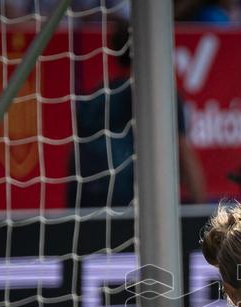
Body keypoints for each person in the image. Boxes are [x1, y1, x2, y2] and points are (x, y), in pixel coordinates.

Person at [68, 20, 206, 210]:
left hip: (89, 203)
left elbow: (75, 155)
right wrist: (201, 213)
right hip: (137, 204)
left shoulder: (98, 95)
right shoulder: (160, 96)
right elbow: (184, 155)